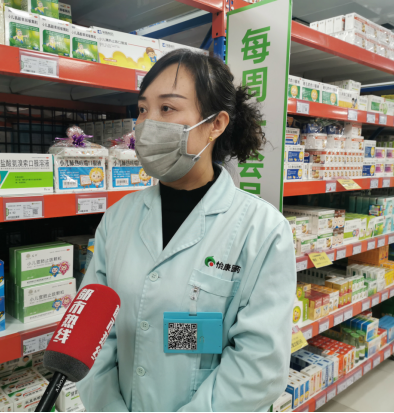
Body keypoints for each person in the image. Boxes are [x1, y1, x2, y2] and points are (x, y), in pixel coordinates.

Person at [76, 49, 296, 412]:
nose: (147, 124)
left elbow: (258, 365)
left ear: (216, 124)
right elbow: (92, 332)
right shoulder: (117, 219)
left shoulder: (263, 230)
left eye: (167, 108)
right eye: (142, 109)